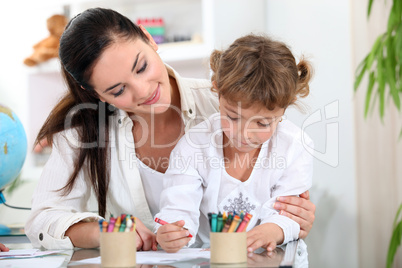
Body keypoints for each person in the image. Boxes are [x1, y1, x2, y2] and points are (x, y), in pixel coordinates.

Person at [25, 8, 315, 250]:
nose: (143, 91)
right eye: (118, 90)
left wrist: (288, 222)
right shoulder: (82, 132)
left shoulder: (227, 100)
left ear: (150, 40)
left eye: (141, 67)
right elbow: (41, 219)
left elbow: (283, 194)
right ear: (97, 94)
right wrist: (104, 231)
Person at [155, 34, 314, 253]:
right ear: (217, 91)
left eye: (262, 123)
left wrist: (272, 230)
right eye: (233, 117)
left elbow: (291, 214)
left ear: (285, 108)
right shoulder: (194, 145)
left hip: (272, 257)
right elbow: (178, 208)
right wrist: (173, 232)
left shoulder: (294, 145)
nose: (244, 134)